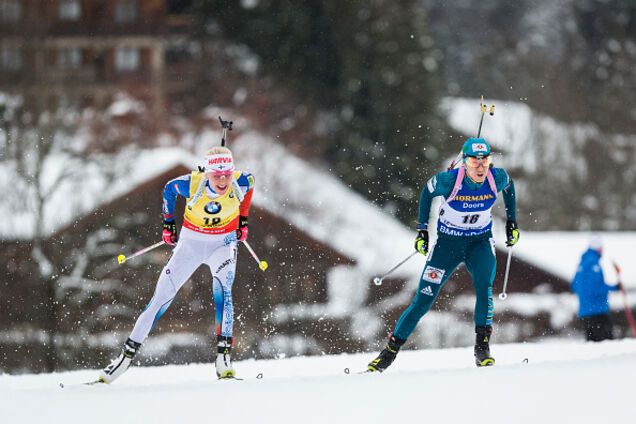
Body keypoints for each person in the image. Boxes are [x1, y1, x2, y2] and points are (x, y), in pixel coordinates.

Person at [99, 146, 254, 382]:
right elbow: (169, 189)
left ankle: (223, 360)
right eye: (216, 175)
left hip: (223, 245)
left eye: (227, 175)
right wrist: (168, 224)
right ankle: (124, 359)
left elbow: (250, 183)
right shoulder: (193, 184)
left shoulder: (240, 182)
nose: (223, 181)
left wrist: (242, 220)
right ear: (207, 173)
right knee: (160, 298)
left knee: (224, 292)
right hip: (190, 245)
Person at [367, 137, 519, 371]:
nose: (480, 166)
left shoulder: (496, 177)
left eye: (485, 160)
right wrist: (422, 231)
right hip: (447, 247)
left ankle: (482, 349)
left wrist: (511, 222)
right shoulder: (448, 181)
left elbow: (509, 187)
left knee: (484, 288)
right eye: (474, 161)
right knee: (423, 301)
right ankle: (389, 352)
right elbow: (426, 194)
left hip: (479, 243)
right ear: (464, 162)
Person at [571, 235, 622, 342]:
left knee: (593, 349)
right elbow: (595, 288)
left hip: (585, 312)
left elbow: (574, 286)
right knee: (606, 347)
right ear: (599, 248)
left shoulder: (582, 263)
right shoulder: (593, 264)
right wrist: (615, 287)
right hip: (597, 312)